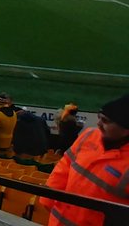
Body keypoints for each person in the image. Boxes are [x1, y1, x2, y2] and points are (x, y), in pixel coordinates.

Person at [41, 94, 129, 226]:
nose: (98, 124)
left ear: (125, 129)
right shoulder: (89, 134)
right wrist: (48, 198)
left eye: (105, 121)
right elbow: (65, 165)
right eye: (99, 118)